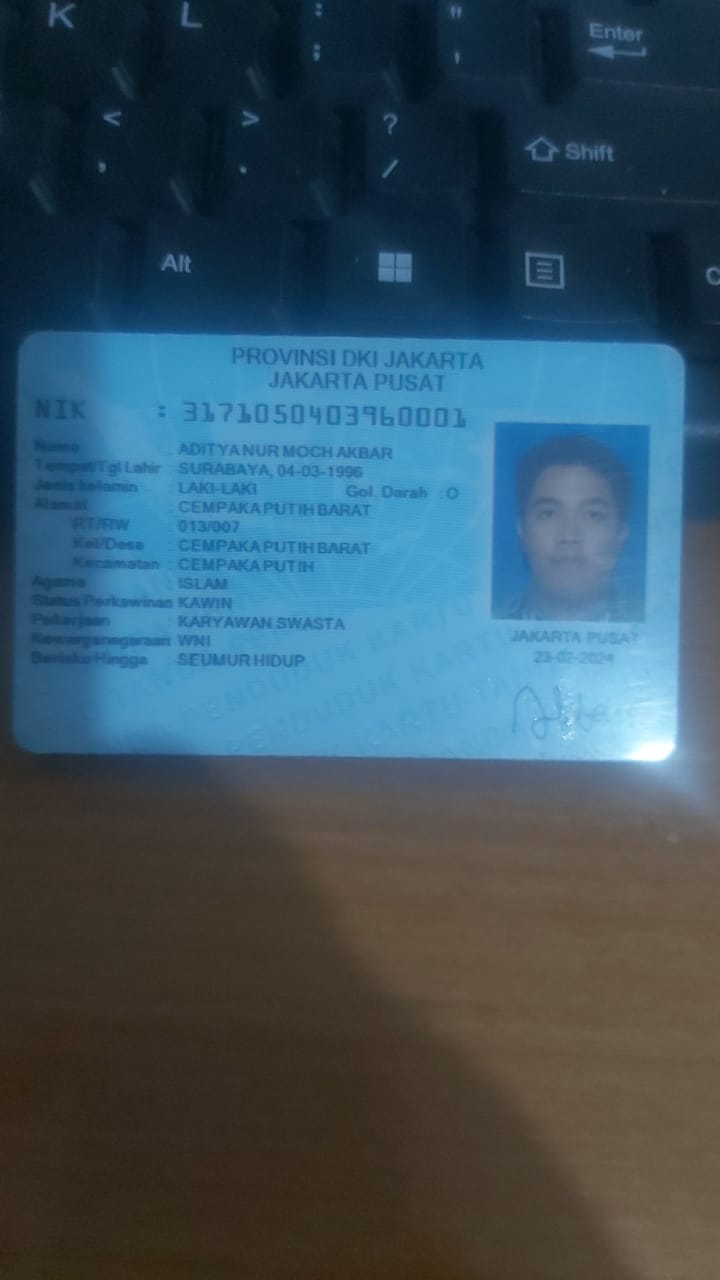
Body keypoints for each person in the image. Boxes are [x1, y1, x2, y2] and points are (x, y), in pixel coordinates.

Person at [498, 433, 643, 622]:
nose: (569, 536)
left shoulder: (658, 624)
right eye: (548, 513)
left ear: (621, 534)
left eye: (593, 515)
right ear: (522, 530)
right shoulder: (476, 625)